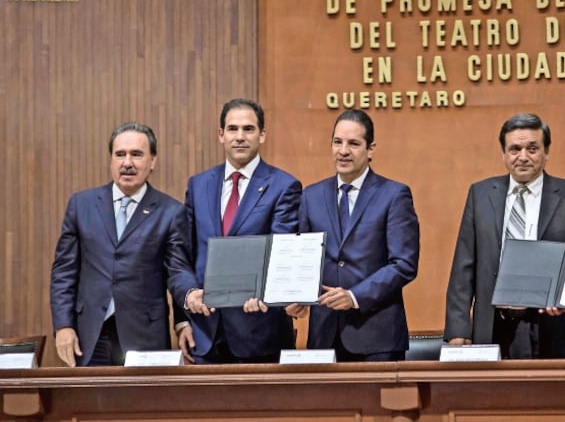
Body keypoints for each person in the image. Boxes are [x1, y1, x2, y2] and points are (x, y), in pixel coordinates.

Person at [444, 112, 565, 359]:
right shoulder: (480, 194)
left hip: (554, 328)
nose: (523, 157)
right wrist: (458, 329)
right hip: (494, 326)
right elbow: (464, 266)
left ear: (546, 152)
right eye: (515, 149)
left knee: (555, 399)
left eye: (532, 148)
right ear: (504, 154)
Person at [50, 122, 198, 366]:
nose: (127, 163)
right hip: (89, 335)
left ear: (152, 161)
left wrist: (183, 321)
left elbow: (178, 271)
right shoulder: (81, 205)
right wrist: (64, 325)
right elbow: (64, 272)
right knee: (89, 404)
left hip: (145, 336)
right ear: (111, 160)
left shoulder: (171, 212)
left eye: (136, 154)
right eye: (120, 154)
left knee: (140, 405)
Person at [285, 109, 420, 361]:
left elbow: (404, 264)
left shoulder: (394, 195)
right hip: (323, 336)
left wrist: (354, 296)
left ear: (371, 149)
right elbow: (303, 258)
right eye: (338, 142)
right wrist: (297, 296)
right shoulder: (311, 196)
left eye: (353, 144)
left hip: (377, 337)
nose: (343, 151)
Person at [180, 98, 301, 363]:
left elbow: (282, 252)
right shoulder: (199, 185)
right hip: (206, 332)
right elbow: (182, 255)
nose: (240, 137)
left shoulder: (284, 186)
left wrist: (264, 292)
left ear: (262, 135)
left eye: (248, 129)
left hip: (259, 332)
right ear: (220, 135)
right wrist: (188, 300)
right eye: (232, 129)